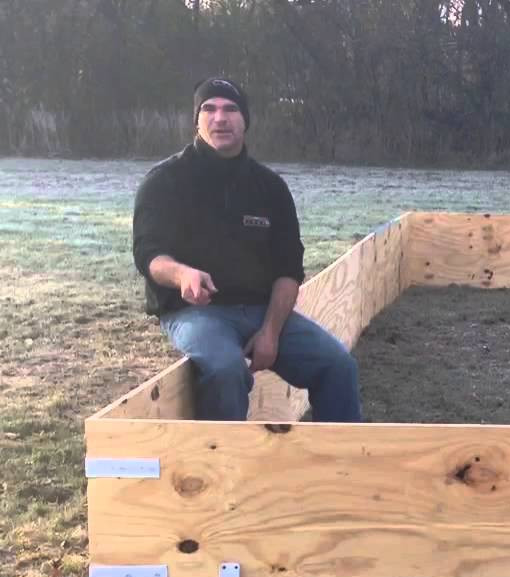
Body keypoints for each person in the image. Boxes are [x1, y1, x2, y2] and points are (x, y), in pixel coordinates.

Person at [131, 77, 362, 421]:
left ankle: (339, 465)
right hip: (195, 312)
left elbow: (288, 269)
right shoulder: (165, 181)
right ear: (196, 120)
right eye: (209, 109)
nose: (219, 118)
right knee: (225, 371)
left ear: (245, 121)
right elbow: (149, 255)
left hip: (261, 310)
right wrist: (183, 275)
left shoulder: (270, 188)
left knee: (338, 365)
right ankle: (225, 467)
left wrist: (270, 331)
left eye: (230, 109)